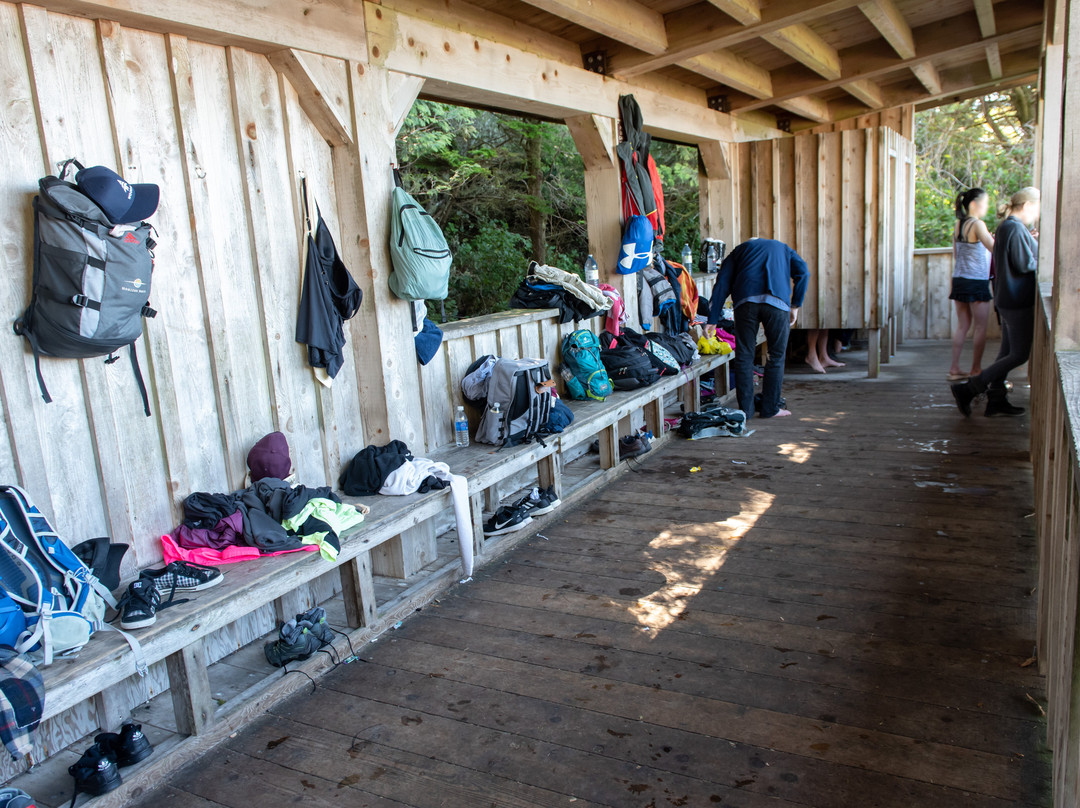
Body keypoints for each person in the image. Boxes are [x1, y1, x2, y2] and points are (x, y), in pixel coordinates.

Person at [951, 187, 1040, 417]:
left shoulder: (1007, 227)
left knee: (1007, 352)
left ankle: (996, 399)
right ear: (1028, 206)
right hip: (1015, 299)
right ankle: (968, 389)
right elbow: (1024, 265)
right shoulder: (1014, 228)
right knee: (1019, 354)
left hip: (1003, 296)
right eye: (1038, 207)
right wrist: (1041, 259)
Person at [707, 237, 809, 420]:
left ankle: (745, 411)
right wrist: (796, 305)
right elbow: (803, 273)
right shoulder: (783, 249)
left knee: (744, 355)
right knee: (776, 356)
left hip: (746, 304)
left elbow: (722, 282)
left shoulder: (739, 251)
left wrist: (713, 318)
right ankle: (771, 408)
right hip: (778, 304)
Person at [947, 188, 995, 381]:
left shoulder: (959, 225)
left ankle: (954, 368)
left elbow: (957, 254)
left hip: (959, 279)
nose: (987, 206)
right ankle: (975, 369)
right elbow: (994, 247)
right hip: (976, 281)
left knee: (962, 326)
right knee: (980, 327)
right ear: (974, 204)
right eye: (985, 202)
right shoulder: (977, 224)